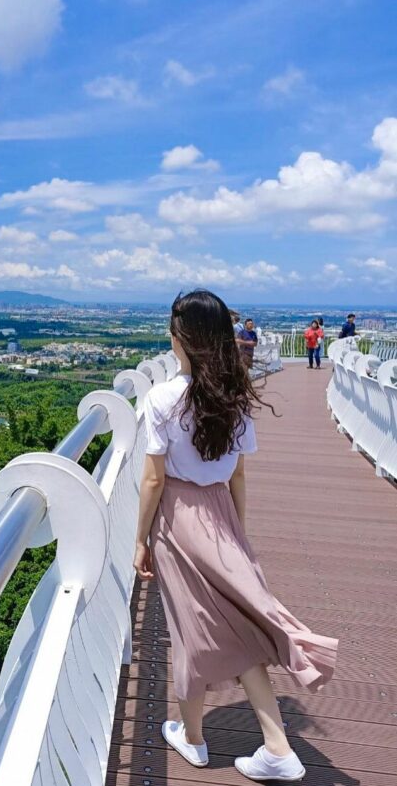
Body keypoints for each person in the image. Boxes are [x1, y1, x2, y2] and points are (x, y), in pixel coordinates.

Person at [134, 290, 337, 782]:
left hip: (179, 517)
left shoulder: (162, 398)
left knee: (191, 627)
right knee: (240, 620)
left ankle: (196, 738)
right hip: (221, 512)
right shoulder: (235, 397)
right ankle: (275, 747)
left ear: (183, 338)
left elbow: (155, 480)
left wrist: (140, 539)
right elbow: (238, 476)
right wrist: (236, 536)